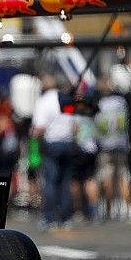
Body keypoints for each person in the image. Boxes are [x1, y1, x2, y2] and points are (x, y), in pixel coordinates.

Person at [31, 73, 77, 229]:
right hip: (68, 143)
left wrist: (33, 141)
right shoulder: (66, 100)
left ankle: (49, 217)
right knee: (65, 182)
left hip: (52, 144)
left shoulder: (43, 102)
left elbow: (39, 128)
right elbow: (75, 125)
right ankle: (65, 217)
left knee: (50, 181)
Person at [94, 77, 131, 219]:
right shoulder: (121, 102)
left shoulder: (101, 104)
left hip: (106, 146)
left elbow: (98, 127)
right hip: (121, 144)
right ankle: (126, 211)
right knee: (122, 176)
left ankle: (108, 211)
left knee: (107, 177)